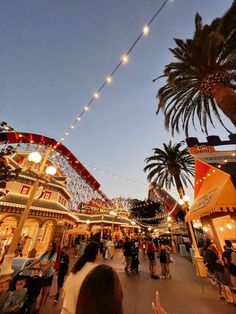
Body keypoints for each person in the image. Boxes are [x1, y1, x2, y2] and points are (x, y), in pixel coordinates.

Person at [62, 241, 99, 314]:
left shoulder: (76, 268)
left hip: (67, 309)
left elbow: (64, 291)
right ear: (96, 254)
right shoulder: (95, 270)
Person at [27, 241, 57, 307]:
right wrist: (30, 265)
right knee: (37, 290)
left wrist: (45, 268)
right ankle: (34, 306)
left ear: (53, 248)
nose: (50, 247)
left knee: (44, 293)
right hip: (41, 273)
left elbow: (51, 263)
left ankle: (40, 307)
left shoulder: (54, 254)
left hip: (48, 275)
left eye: (51, 246)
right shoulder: (44, 254)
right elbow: (37, 260)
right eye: (49, 245)